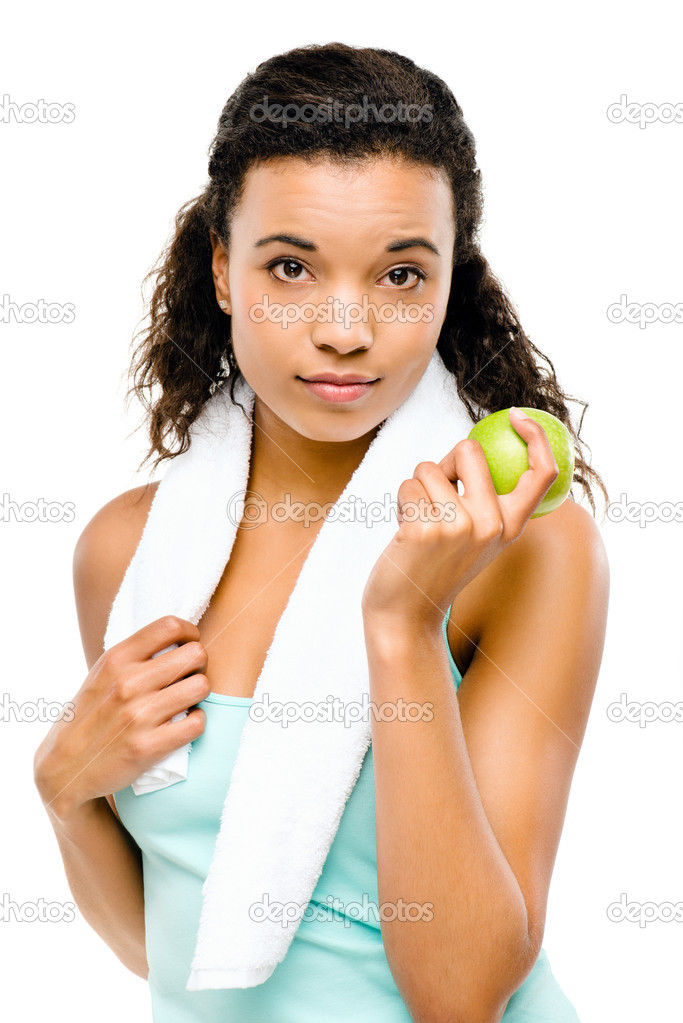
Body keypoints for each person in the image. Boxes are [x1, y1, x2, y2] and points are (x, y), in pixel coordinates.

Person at [33, 41, 610, 1023]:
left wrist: (400, 626)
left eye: (397, 275)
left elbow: (463, 993)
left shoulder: (523, 546)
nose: (344, 328)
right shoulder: (128, 552)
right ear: (221, 271)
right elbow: (181, 955)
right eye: (291, 268)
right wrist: (62, 792)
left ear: (447, 285)